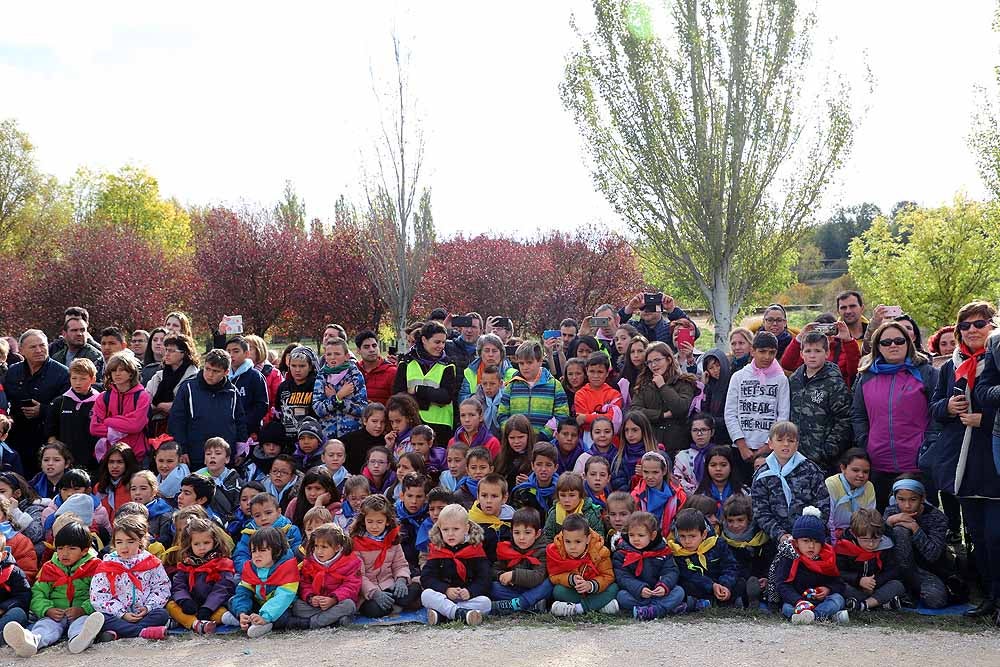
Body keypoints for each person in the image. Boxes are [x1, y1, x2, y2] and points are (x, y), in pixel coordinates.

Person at [852, 322, 937, 506]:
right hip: (879, 464)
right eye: (886, 342)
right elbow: (858, 414)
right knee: (882, 522)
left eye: (899, 341)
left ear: (908, 343)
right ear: (877, 346)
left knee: (922, 523)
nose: (893, 345)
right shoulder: (866, 376)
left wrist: (928, 444)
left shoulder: (926, 372)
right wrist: (866, 441)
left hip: (918, 464)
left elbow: (937, 412)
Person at [3, 521, 103, 657]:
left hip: (81, 613)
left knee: (83, 624)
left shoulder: (95, 567)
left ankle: (79, 640)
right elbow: (38, 593)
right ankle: (31, 642)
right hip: (56, 614)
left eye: (71, 549)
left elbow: (101, 594)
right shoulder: (50, 567)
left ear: (85, 550)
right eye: (60, 548)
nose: (65, 553)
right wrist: (47, 609)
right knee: (45, 627)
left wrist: (84, 609)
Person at [90, 514, 172, 640]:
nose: (124, 547)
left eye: (130, 541)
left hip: (144, 614)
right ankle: (142, 632)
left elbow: (162, 588)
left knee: (162, 614)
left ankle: (121, 633)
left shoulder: (151, 562)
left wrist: (148, 607)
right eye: (119, 542)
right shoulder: (107, 565)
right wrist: (122, 614)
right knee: (101, 617)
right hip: (118, 616)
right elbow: (99, 596)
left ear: (141, 541)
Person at [167, 349, 248, 471]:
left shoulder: (232, 392)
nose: (210, 374)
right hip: (196, 455)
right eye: (207, 369)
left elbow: (239, 420)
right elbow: (177, 421)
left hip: (224, 457)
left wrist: (240, 449)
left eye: (216, 371)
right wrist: (182, 449)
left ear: (226, 372)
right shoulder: (188, 388)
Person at [4, 330, 70, 476]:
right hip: (17, 439)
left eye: (42, 345)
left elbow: (67, 408)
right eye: (33, 347)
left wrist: (44, 410)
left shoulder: (62, 374)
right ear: (21, 350)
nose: (39, 350)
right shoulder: (13, 372)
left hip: (46, 441)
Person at [751, 421, 830, 543]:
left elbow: (823, 505)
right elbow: (760, 511)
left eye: (791, 441)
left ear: (797, 445)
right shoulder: (762, 474)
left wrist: (806, 532)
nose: (786, 444)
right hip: (775, 540)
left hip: (809, 538)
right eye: (780, 440)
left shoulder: (811, 470)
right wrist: (780, 535)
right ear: (771, 444)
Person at [884, 476, 953, 610]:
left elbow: (933, 555)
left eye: (913, 499)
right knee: (899, 531)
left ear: (922, 498)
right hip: (895, 570)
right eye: (901, 500)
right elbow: (876, 542)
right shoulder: (891, 511)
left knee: (936, 600)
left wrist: (915, 529)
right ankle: (903, 588)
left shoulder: (937, 517)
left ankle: (906, 590)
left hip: (925, 570)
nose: (907, 506)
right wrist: (888, 523)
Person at [725, 332, 790, 473]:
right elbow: (730, 413)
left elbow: (783, 416)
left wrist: (768, 445)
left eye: (771, 352)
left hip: (770, 448)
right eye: (762, 352)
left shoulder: (781, 379)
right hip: (741, 448)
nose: (767, 357)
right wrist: (741, 445)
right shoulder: (738, 377)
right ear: (752, 351)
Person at [788, 332, 853, 472]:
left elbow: (844, 419)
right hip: (795, 455)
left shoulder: (834, 383)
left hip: (823, 460)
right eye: (808, 351)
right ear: (801, 354)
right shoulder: (794, 380)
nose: (812, 355)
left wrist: (829, 450)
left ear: (827, 353)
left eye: (817, 351)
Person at [773, 507, 848, 624]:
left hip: (822, 601)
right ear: (796, 542)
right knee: (787, 608)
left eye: (816, 542)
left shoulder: (827, 558)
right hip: (798, 601)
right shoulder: (789, 557)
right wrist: (798, 601)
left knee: (838, 600)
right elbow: (782, 585)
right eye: (806, 541)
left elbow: (839, 583)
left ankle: (812, 617)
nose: (811, 546)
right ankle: (823, 617)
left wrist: (828, 589)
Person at [421, 503, 491, 626]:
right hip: (444, 596)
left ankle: (444, 615)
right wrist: (445, 590)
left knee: (485, 603)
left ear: (466, 528)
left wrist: (470, 591)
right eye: (445, 529)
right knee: (426, 595)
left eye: (456, 529)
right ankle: (460, 614)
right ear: (439, 529)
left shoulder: (475, 549)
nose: (450, 534)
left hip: (466, 597)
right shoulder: (437, 549)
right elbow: (427, 578)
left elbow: (484, 578)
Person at [350, 494, 421, 618]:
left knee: (414, 590)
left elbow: (400, 564)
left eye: (379, 522)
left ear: (387, 522)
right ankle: (396, 607)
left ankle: (398, 604)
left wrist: (401, 580)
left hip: (389, 585)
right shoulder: (356, 543)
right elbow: (359, 576)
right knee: (374, 610)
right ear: (363, 521)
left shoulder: (392, 539)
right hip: (369, 593)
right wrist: (375, 593)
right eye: (370, 521)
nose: (374, 526)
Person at [222, 526, 298, 638]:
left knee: (284, 617)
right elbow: (243, 591)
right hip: (259, 603)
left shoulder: (287, 568)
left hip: (280, 607)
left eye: (262, 550)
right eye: (254, 551)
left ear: (277, 551)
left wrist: (265, 616)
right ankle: (246, 620)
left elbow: (283, 597)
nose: (257, 554)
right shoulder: (251, 568)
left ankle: (265, 623)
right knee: (233, 601)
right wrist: (242, 612)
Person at [167, 516, 236, 634]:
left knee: (223, 611)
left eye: (206, 543)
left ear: (215, 541)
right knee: (171, 606)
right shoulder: (186, 564)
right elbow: (179, 586)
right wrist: (184, 600)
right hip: (192, 604)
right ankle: (195, 624)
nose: (202, 547)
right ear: (190, 544)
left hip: (214, 606)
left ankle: (233, 620)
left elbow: (222, 588)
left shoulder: (223, 563)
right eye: (196, 544)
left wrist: (208, 607)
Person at [392, 322, 458, 444]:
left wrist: (418, 390)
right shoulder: (406, 363)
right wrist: (428, 399)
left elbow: (446, 396)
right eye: (437, 342)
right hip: (412, 422)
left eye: (443, 342)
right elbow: (398, 395)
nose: (441, 346)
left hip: (440, 425)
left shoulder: (448, 364)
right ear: (424, 340)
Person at [287, 522, 361, 630]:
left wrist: (333, 599)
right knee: (297, 606)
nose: (319, 551)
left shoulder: (351, 562)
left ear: (337, 548)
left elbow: (351, 585)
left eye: (324, 547)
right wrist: (311, 598)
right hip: (317, 605)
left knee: (349, 605)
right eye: (316, 546)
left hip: (337, 602)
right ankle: (333, 620)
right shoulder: (309, 561)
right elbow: (304, 583)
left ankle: (311, 623)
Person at [613, 510, 685, 619]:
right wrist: (639, 589)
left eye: (641, 535)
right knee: (621, 596)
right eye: (631, 535)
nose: (635, 539)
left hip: (658, 591)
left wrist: (663, 586)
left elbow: (671, 571)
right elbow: (622, 577)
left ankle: (652, 610)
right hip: (638, 593)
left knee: (679, 591)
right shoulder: (621, 553)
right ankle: (664, 607)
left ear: (652, 535)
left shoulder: (663, 551)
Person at [547, 513, 619, 617]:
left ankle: (578, 608)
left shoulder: (601, 551)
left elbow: (608, 576)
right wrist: (571, 579)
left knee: (614, 588)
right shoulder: (557, 550)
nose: (572, 547)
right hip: (575, 591)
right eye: (568, 541)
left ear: (588, 539)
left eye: (577, 542)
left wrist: (590, 585)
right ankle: (600, 605)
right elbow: (554, 576)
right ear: (563, 538)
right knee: (558, 591)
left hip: (595, 590)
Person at [631, 342, 697, 454]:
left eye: (657, 360)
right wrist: (662, 415)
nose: (653, 365)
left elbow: (681, 408)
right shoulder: (644, 385)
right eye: (650, 362)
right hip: (652, 445)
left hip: (678, 446)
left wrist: (663, 386)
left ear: (669, 360)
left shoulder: (684, 382)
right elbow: (635, 411)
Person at [669, 508, 740, 609]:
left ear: (704, 534)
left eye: (692, 536)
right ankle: (704, 602)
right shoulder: (678, 551)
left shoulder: (717, 544)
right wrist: (711, 586)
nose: (687, 541)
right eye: (682, 536)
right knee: (684, 585)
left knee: (740, 582)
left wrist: (725, 585)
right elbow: (689, 574)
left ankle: (731, 599)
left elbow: (730, 566)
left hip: (720, 582)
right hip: (701, 585)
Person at [835, 508, 904, 612]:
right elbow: (838, 572)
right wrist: (859, 580)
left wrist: (873, 583)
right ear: (854, 534)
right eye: (865, 540)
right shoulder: (843, 547)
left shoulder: (886, 546)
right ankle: (879, 603)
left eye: (876, 539)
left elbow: (893, 571)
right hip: (855, 587)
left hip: (876, 587)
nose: (871, 544)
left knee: (897, 585)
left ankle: (863, 605)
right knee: (840, 587)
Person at [498, 341, 570, 442]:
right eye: (521, 363)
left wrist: (544, 435)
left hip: (544, 443)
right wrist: (512, 434)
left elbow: (562, 414)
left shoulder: (554, 385)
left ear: (540, 361)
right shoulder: (512, 386)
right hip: (516, 443)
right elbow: (502, 414)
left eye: (529, 362)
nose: (525, 367)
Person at [489, 507, 551, 616]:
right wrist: (501, 575)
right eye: (517, 533)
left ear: (537, 533)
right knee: (491, 586)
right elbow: (495, 568)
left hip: (536, 589)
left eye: (527, 532)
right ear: (511, 532)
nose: (521, 537)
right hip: (515, 589)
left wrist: (514, 575)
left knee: (550, 583)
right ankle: (531, 605)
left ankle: (520, 604)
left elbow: (538, 576)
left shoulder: (543, 549)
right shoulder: (509, 548)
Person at [90, 351, 150, 461]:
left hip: (136, 455)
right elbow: (94, 428)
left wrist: (108, 421)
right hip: (109, 455)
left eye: (121, 370)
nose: (117, 374)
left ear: (131, 373)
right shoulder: (103, 397)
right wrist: (125, 422)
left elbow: (136, 426)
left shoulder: (142, 396)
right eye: (113, 370)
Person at [780, 315, 860, 389]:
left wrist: (848, 340)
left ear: (835, 331)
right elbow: (787, 365)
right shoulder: (810, 352)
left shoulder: (844, 349)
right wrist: (800, 337)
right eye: (820, 331)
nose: (825, 336)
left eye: (829, 331)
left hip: (836, 396)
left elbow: (854, 371)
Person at [146, 334, 200, 439]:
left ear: (183, 353)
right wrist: (162, 406)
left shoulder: (195, 378)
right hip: (157, 429)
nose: (166, 354)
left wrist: (159, 405)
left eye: (171, 351)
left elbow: (187, 407)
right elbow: (145, 403)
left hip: (184, 431)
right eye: (166, 350)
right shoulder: (158, 376)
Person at [233, 493, 303, 574]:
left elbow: (297, 555)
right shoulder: (249, 533)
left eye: (268, 513)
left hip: (284, 574)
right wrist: (253, 570)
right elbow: (240, 556)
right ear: (252, 516)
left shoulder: (290, 530)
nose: (263, 518)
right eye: (257, 515)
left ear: (279, 512)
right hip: (255, 573)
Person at [825, 449, 876, 544]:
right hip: (833, 534)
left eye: (865, 472)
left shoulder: (869, 487)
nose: (861, 475)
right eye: (855, 470)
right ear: (843, 468)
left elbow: (869, 519)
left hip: (858, 535)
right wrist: (833, 543)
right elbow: (828, 519)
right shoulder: (832, 484)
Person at [618, 293, 699, 352]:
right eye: (643, 307)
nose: (647, 310)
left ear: (661, 309)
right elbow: (613, 325)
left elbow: (694, 332)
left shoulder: (671, 329)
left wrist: (672, 310)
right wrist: (629, 308)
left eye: (652, 306)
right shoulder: (632, 327)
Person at [630, 452, 686, 537]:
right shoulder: (635, 496)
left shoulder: (679, 496)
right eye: (646, 472)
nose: (650, 476)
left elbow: (681, 524)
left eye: (655, 472)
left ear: (664, 471)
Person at [225, 337, 268, 440]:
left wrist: (243, 422)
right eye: (228, 351)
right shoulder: (224, 376)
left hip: (249, 431)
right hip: (227, 429)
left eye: (236, 351)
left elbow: (262, 405)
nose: (231, 355)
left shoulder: (255, 376)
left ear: (247, 354)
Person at [573, 352, 623, 434]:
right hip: (588, 436)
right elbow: (582, 423)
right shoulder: (580, 394)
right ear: (586, 371)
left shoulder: (615, 395)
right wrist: (604, 417)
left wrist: (586, 417)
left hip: (611, 437)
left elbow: (613, 418)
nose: (595, 376)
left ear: (607, 373)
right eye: (592, 371)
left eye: (600, 372)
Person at [459, 334, 514, 403]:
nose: (490, 354)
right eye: (487, 351)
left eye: (494, 351)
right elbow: (462, 398)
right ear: (480, 353)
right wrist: (474, 398)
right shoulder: (470, 372)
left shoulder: (513, 374)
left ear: (501, 353)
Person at [673, 414, 716, 495]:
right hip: (690, 498)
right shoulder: (682, 456)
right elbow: (677, 480)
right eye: (695, 430)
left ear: (712, 432)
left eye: (704, 429)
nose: (699, 434)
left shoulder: (720, 454)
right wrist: (697, 493)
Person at [49, 317, 104, 382]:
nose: (79, 334)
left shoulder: (95, 357)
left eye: (82, 330)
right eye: (74, 330)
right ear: (64, 334)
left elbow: (97, 384)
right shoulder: (57, 357)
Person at [354, 331, 398, 408]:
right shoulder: (353, 371)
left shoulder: (392, 372)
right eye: (366, 347)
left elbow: (398, 404)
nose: (372, 350)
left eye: (374, 346)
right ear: (358, 350)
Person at [342, 403, 387, 474]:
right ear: (365, 421)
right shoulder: (349, 439)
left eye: (382, 422)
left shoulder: (386, 441)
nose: (379, 426)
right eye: (374, 421)